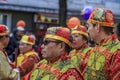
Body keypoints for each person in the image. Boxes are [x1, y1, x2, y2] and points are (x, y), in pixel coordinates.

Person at [81, 8, 120, 80]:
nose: (87, 30)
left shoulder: (117, 53)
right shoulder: (95, 48)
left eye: (88, 26)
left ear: (97, 27)